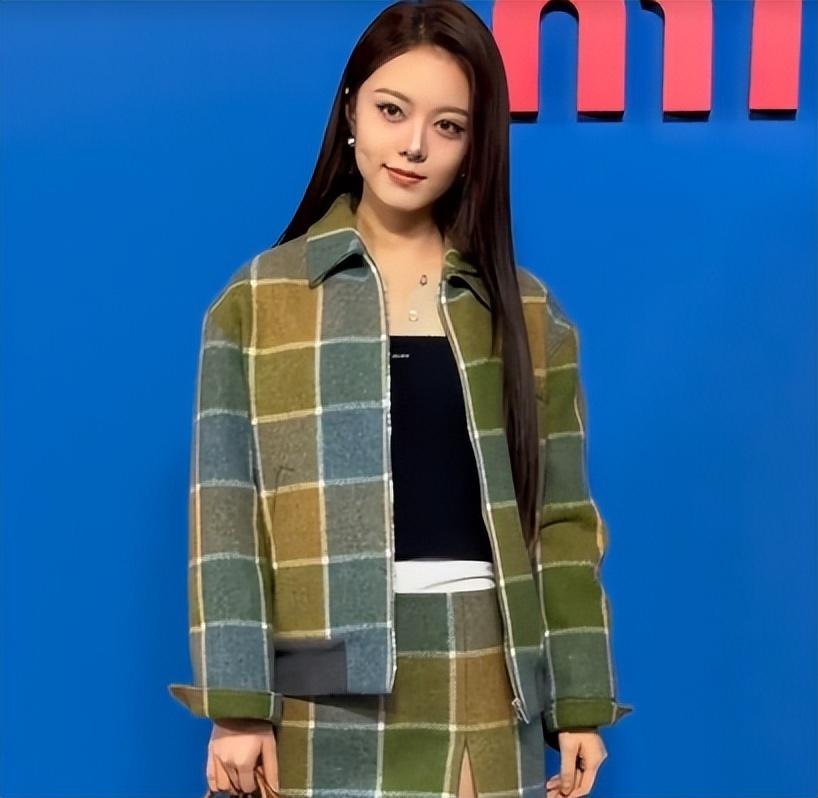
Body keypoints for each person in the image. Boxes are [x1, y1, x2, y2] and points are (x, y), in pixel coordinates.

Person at [167, 2, 633, 796]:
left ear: (475, 147)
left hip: (487, 682)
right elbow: (226, 518)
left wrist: (579, 703)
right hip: (320, 691)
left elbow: (561, 523)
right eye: (392, 110)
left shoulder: (528, 315)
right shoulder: (259, 302)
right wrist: (237, 708)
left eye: (448, 126)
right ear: (351, 111)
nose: (414, 145)